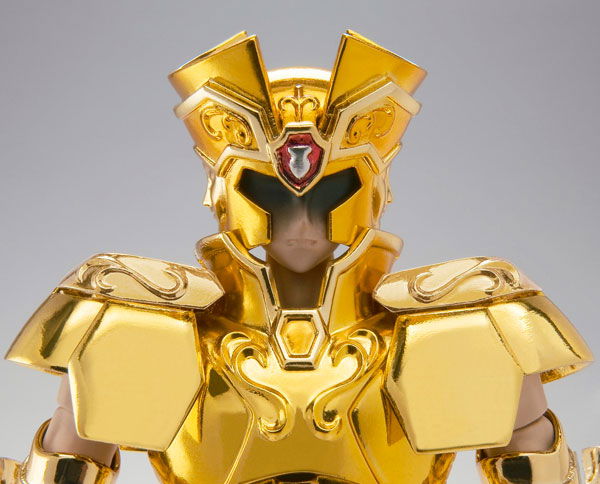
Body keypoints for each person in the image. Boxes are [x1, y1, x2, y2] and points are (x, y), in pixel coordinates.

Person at [1, 30, 598, 484]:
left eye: (329, 195)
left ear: (373, 194)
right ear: (224, 195)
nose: (304, 226)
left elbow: (533, 462)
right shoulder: (138, 317)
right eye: (273, 197)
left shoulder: (465, 317)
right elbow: (73, 460)